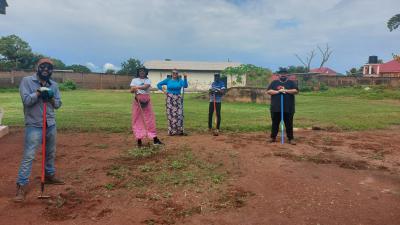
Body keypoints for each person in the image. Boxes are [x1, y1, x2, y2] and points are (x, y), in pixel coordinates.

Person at [15, 58, 64, 202]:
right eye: (43, 67)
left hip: (50, 124)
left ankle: (49, 175)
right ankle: (21, 185)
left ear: (51, 70)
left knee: (50, 152)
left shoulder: (53, 85)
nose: (46, 70)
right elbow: (26, 101)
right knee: (29, 155)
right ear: (37, 67)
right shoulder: (27, 81)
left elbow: (58, 104)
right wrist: (38, 93)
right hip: (34, 124)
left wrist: (50, 98)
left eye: (49, 68)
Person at [130, 67, 163, 147]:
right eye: (140, 71)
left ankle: (155, 139)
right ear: (138, 72)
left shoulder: (147, 80)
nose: (142, 72)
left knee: (150, 120)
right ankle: (139, 140)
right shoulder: (134, 80)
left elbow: (146, 86)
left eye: (143, 71)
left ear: (146, 73)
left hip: (147, 102)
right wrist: (133, 89)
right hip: (137, 102)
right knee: (137, 120)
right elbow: (131, 90)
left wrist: (136, 87)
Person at [267, 68, 299, 145]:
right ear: (279, 75)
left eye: (284, 73)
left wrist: (286, 90)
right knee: (275, 123)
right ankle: (273, 137)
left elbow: (296, 91)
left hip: (288, 108)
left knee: (289, 123)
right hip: (276, 108)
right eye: (281, 73)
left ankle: (290, 138)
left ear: (287, 75)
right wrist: (278, 91)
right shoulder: (274, 83)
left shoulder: (291, 83)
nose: (283, 75)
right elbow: (269, 91)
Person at [157, 69, 188, 136]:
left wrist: (185, 78)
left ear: (177, 74)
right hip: (170, 98)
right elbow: (159, 84)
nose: (175, 74)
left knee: (179, 114)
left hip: (178, 98)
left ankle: (179, 131)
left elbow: (185, 86)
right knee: (170, 114)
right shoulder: (168, 80)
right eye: (173, 73)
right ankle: (171, 131)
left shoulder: (180, 80)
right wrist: (164, 91)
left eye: (176, 73)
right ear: (171, 73)